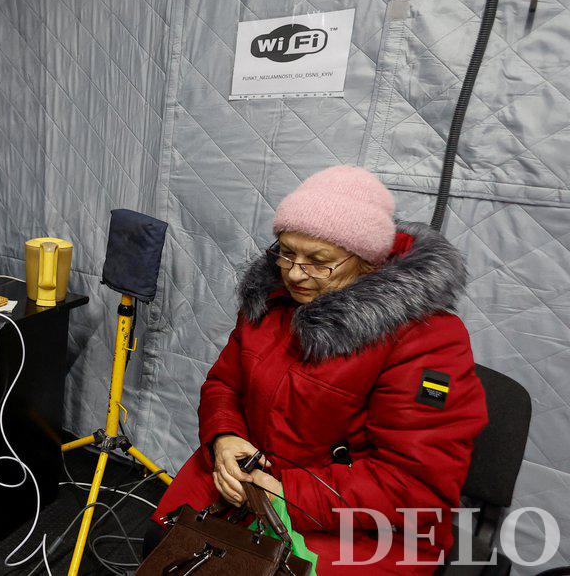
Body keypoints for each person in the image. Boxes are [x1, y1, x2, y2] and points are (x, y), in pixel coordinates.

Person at [148, 166, 488, 574]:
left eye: (318, 261)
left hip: (355, 523)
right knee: (166, 545)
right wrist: (225, 437)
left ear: (367, 260)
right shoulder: (271, 301)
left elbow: (415, 486)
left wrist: (285, 494)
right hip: (249, 486)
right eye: (286, 251)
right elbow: (224, 383)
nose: (293, 272)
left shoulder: (428, 340)